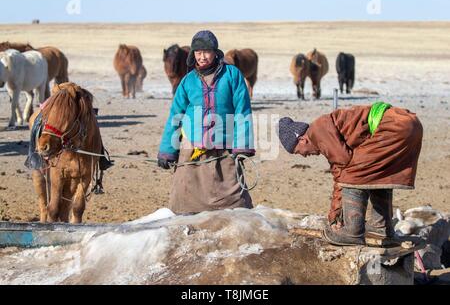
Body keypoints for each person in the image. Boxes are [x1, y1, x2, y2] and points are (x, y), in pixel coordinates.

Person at [277, 102, 423, 246]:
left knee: (354, 173)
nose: (303, 156)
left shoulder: (318, 129)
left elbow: (343, 167)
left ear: (302, 139)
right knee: (375, 175)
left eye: (298, 152)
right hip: (408, 124)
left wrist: (334, 214)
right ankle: (381, 227)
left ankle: (352, 232)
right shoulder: (323, 131)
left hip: (394, 127)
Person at [157, 30, 255, 214]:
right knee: (184, 204)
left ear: (215, 52)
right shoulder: (187, 82)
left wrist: (242, 145)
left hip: (225, 152)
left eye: (206, 51)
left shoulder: (232, 75)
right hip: (192, 152)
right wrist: (167, 151)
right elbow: (175, 116)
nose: (202, 56)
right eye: (198, 52)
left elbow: (243, 111)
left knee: (235, 206)